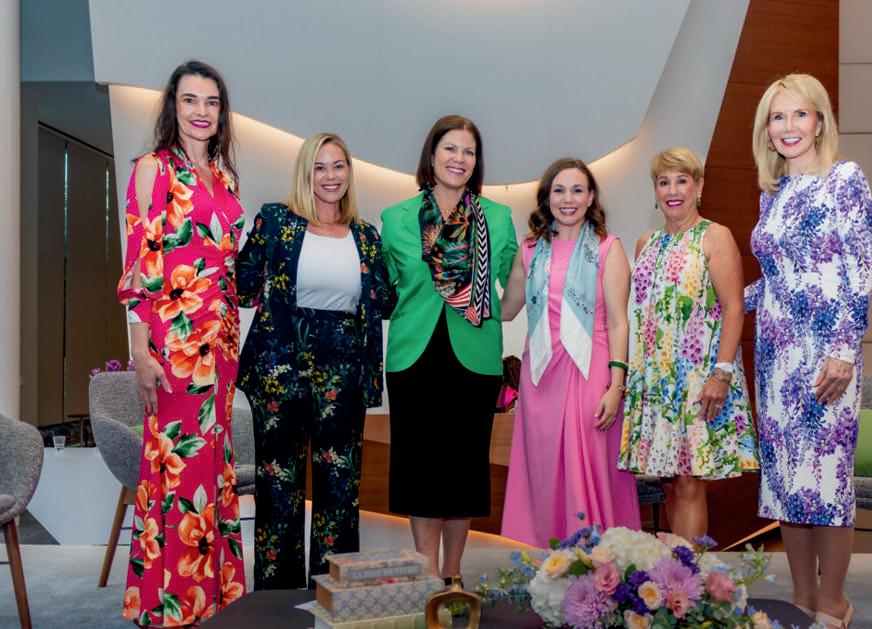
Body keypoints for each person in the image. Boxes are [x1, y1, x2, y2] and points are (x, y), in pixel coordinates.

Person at [117, 60, 245, 626]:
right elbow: (139, 266)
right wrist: (140, 351)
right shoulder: (153, 168)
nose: (201, 111)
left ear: (221, 113)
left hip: (221, 346)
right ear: (174, 106)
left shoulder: (225, 176)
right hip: (174, 346)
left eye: (211, 102)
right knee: (177, 469)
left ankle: (209, 600)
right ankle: (170, 605)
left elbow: (226, 266)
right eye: (190, 99)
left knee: (213, 468)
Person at [236, 133, 394, 588]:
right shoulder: (276, 220)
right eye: (320, 167)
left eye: (338, 166)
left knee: (340, 489)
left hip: (344, 372)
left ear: (349, 173)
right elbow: (243, 286)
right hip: (280, 370)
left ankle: (333, 590)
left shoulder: (366, 236)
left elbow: (384, 301)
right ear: (306, 173)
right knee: (278, 484)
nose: (330, 176)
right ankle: (277, 597)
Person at [747, 74, 872, 629]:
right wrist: (723, 302)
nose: (788, 126)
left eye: (800, 114)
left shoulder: (845, 178)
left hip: (828, 353)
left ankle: (834, 602)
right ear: (767, 129)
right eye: (778, 117)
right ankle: (801, 597)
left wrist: (845, 348)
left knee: (826, 478)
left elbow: (858, 268)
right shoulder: (772, 193)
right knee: (785, 481)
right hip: (775, 352)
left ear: (820, 122)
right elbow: (777, 280)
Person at [381, 114, 517, 581]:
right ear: (432, 155)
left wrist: (537, 269)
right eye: (451, 149)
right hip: (413, 356)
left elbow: (515, 287)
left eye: (469, 151)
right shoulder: (396, 218)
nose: (460, 159)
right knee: (420, 468)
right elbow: (382, 288)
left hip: (474, 356)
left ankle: (453, 575)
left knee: (464, 468)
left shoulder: (497, 218)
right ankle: (426, 573)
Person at [618, 147, 759, 542]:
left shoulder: (715, 236)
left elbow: (734, 308)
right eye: (664, 182)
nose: (673, 190)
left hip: (699, 379)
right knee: (668, 482)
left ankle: (689, 575)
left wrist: (721, 374)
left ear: (699, 186)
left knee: (689, 482)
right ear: (655, 191)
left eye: (682, 180)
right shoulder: (646, 241)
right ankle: (674, 571)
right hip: (656, 381)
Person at [500, 158, 641, 546]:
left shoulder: (608, 248)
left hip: (590, 371)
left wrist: (617, 386)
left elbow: (619, 322)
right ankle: (542, 557)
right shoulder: (530, 250)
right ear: (546, 197)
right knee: (543, 469)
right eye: (559, 190)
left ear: (591, 197)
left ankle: (596, 558)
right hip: (540, 375)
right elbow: (506, 309)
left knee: (588, 465)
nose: (568, 199)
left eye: (578, 190)